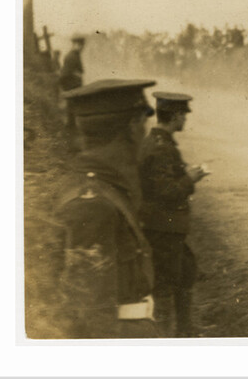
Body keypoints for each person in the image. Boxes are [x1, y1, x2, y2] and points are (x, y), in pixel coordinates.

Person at [53, 79, 158, 338]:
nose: (145, 132)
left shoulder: (100, 186)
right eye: (143, 123)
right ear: (133, 128)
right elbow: (90, 315)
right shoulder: (93, 204)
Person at [138, 92, 208, 337]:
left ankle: (183, 329)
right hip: (163, 227)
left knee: (186, 270)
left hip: (165, 226)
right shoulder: (161, 148)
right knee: (166, 283)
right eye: (184, 115)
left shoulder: (159, 143)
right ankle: (167, 335)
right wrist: (189, 179)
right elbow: (165, 192)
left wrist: (184, 174)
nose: (186, 120)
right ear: (176, 115)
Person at [59, 34, 87, 151]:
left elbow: (80, 71)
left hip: (75, 89)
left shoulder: (75, 55)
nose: (81, 47)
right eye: (79, 45)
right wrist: (68, 90)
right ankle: (69, 144)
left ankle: (71, 141)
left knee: (73, 114)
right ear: (74, 44)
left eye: (82, 45)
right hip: (72, 90)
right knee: (71, 115)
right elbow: (64, 76)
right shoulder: (71, 57)